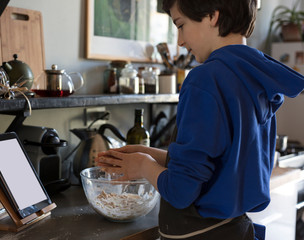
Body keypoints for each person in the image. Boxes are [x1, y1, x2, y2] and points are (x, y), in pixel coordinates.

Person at [95, 0, 304, 239]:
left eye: (181, 25)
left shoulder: (205, 79)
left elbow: (181, 190)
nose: (180, 41)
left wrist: (143, 165)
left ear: (212, 16)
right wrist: (151, 155)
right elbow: (222, 166)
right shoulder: (254, 75)